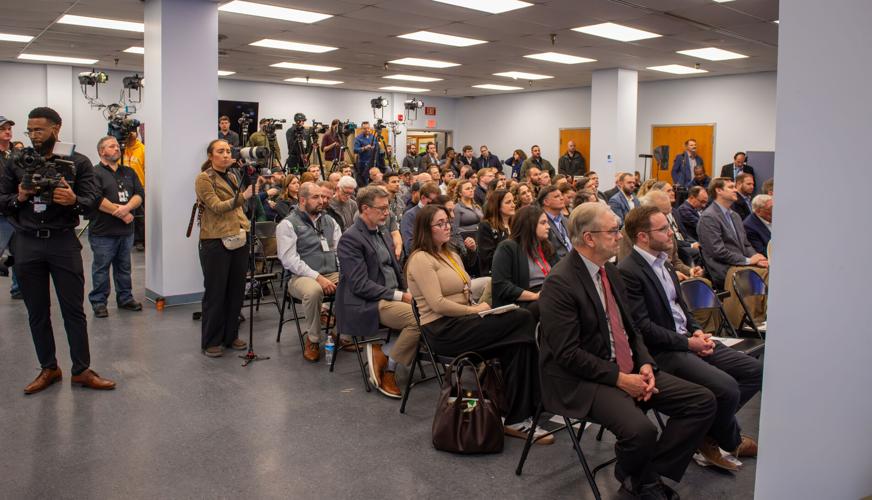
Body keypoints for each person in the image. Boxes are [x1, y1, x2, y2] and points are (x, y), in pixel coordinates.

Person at [538, 202, 716, 499]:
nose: (620, 236)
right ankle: (642, 479)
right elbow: (567, 354)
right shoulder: (561, 281)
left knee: (702, 401)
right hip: (583, 379)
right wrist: (621, 379)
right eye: (613, 230)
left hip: (625, 366)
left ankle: (641, 476)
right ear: (589, 237)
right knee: (641, 431)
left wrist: (644, 363)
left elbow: (631, 329)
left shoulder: (610, 271)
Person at [619, 205, 762, 471]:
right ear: (642, 236)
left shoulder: (664, 262)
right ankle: (729, 439)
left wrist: (697, 330)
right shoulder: (630, 271)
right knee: (727, 388)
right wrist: (688, 343)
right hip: (665, 351)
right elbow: (642, 328)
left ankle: (708, 435)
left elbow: (681, 307)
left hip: (688, 339)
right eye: (662, 229)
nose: (671, 233)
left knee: (755, 370)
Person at [406, 204, 552, 443]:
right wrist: (474, 310)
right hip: (443, 330)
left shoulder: (451, 254)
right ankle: (535, 400)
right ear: (426, 229)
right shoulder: (421, 259)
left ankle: (517, 417)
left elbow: (466, 291)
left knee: (518, 344)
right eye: (440, 223)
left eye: (448, 222)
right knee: (523, 317)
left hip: (466, 322)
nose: (447, 227)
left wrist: (479, 311)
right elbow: (438, 304)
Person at [0, 106, 116, 393]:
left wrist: (73, 200)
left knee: (73, 309)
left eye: (39, 129)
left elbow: (91, 201)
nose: (33, 135)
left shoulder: (77, 161)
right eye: (30, 130)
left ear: (56, 128)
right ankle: (48, 368)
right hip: (27, 241)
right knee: (37, 311)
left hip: (63, 241)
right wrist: (21, 195)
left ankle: (81, 369)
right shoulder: (16, 160)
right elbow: (1, 200)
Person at [336, 186, 420, 398]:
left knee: (432, 309)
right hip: (366, 302)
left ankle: (385, 350)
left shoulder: (379, 232)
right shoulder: (350, 239)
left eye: (388, 208)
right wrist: (402, 296)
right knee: (418, 319)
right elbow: (360, 285)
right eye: (382, 209)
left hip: (391, 294)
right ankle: (389, 364)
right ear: (365, 209)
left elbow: (392, 268)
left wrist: (407, 289)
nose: (387, 213)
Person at [194, 139, 253, 357]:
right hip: (215, 240)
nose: (226, 155)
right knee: (216, 292)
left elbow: (241, 206)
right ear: (211, 156)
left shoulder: (233, 175)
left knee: (236, 290)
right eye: (221, 151)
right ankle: (211, 340)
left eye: (228, 151)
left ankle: (231, 335)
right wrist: (243, 197)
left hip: (238, 236)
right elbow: (216, 207)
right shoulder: (203, 179)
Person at [276, 181, 347, 362]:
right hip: (300, 277)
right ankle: (313, 339)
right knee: (314, 291)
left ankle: (340, 334)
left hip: (331, 271)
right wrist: (318, 277)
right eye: (316, 197)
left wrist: (344, 272)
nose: (322, 201)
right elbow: (289, 260)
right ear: (302, 200)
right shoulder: (288, 224)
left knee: (353, 284)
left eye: (323, 197)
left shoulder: (330, 221)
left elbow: (339, 251)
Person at [88, 136, 144, 318]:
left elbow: (139, 194)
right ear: (101, 151)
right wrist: (120, 212)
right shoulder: (94, 173)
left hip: (125, 231)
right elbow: (96, 199)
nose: (117, 149)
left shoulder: (128, 172)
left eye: (117, 146)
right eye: (111, 146)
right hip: (103, 231)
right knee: (101, 268)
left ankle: (125, 298)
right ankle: (99, 302)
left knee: (124, 267)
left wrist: (127, 208)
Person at [697, 177, 768, 289]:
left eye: (735, 187)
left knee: (770, 270)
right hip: (724, 268)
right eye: (731, 187)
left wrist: (755, 256)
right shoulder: (709, 217)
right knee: (766, 277)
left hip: (740, 264)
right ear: (718, 190)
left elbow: (746, 244)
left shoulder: (735, 216)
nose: (735, 190)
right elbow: (718, 252)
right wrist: (748, 260)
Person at [491, 205, 556, 321]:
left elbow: (560, 272)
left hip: (547, 293)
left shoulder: (546, 246)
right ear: (529, 224)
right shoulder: (508, 247)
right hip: (522, 302)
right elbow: (501, 286)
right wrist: (536, 296)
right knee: (552, 303)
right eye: (543, 223)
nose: (548, 226)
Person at [0, 115, 21, 298]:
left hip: (17, 208)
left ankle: (18, 289)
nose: (7, 131)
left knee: (19, 251)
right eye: (3, 129)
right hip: (0, 211)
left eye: (9, 128)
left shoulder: (18, 153)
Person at [476, 189, 513, 276]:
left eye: (513, 201)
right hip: (497, 273)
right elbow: (488, 257)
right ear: (497, 206)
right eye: (508, 202)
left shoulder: (516, 224)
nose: (513, 205)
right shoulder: (486, 226)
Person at [400, 181, 441, 254]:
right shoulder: (410, 216)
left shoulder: (439, 213)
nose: (436, 205)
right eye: (433, 201)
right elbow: (409, 246)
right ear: (423, 198)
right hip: (421, 256)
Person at [123, 130, 146, 251]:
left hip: (139, 187)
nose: (129, 134)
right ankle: (129, 238)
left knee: (140, 215)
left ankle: (140, 240)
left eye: (132, 131)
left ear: (136, 134)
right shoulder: (121, 149)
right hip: (123, 186)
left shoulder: (143, 149)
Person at [539, 185, 572, 261]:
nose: (562, 198)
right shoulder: (541, 222)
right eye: (557, 196)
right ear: (546, 202)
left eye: (561, 195)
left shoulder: (565, 220)